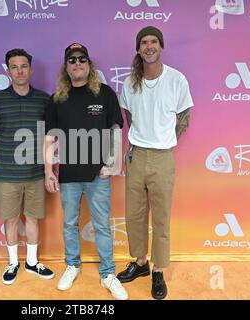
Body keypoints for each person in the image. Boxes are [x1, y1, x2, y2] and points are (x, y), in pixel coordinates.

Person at [44, 43, 128, 300]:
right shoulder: (57, 99)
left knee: (102, 225)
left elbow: (115, 130)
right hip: (68, 176)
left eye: (82, 59)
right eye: (72, 60)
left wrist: (111, 164)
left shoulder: (104, 94)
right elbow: (48, 138)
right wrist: (49, 171)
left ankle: (108, 273)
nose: (77, 63)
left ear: (89, 64)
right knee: (69, 224)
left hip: (97, 175)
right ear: (66, 67)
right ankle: (72, 265)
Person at [117, 26, 194, 300]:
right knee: (134, 214)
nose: (149, 46)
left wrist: (163, 140)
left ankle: (158, 270)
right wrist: (142, 139)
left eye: (153, 42)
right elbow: (128, 118)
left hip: (163, 157)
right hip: (137, 154)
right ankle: (140, 263)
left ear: (160, 46)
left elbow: (184, 118)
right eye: (144, 43)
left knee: (161, 217)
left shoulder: (176, 79)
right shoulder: (129, 82)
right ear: (138, 48)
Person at [0, 48, 55, 286]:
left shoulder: (45, 100)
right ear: (8, 70)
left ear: (31, 69)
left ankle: (32, 262)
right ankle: (13, 262)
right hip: (7, 175)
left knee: (33, 218)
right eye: (14, 66)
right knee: (11, 219)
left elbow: (50, 135)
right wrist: (4, 158)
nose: (20, 70)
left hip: (36, 173)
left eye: (24, 66)